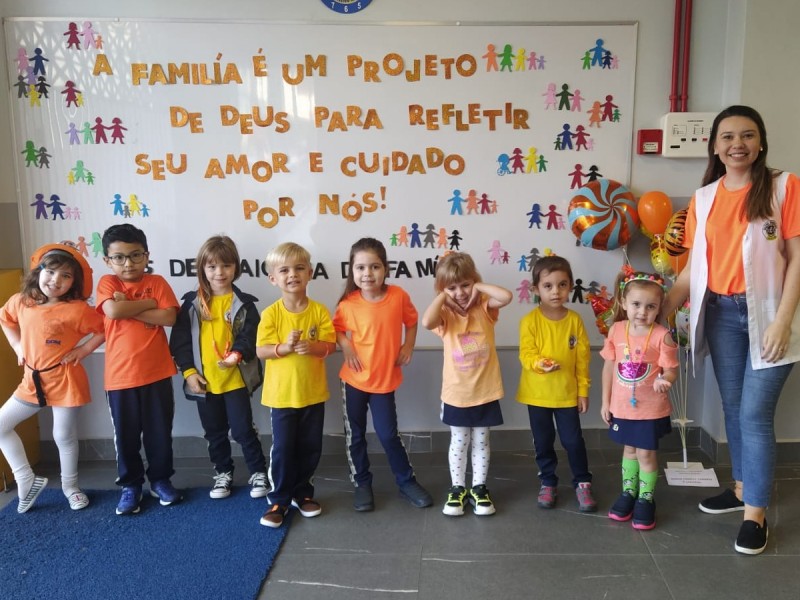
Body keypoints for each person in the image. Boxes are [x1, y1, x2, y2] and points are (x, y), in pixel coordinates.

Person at [664, 105, 800, 554]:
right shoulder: (704, 197)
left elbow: (797, 258)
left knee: (754, 415)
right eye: (727, 136)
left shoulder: (784, 186)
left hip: (770, 316)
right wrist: (662, 309)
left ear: (760, 143)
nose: (737, 144)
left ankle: (755, 516)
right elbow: (692, 271)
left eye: (747, 135)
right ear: (715, 146)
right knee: (734, 406)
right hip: (721, 314)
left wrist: (783, 320)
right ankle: (742, 489)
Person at [0, 243, 104, 513]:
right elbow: (5, 318)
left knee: (63, 436)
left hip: (66, 380)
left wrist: (83, 350)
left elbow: (104, 329)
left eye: (65, 276)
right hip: (32, 381)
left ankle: (71, 488)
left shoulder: (78, 309)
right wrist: (18, 346)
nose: (56, 280)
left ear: (74, 282)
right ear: (39, 271)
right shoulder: (21, 301)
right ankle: (25, 478)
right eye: (51, 271)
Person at [334, 237, 433, 511]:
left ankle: (406, 481)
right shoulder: (348, 303)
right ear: (352, 271)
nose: (367, 274)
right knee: (355, 435)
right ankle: (362, 483)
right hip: (353, 380)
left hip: (383, 382)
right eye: (361, 268)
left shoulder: (398, 296)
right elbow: (337, 330)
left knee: (388, 434)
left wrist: (408, 345)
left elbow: (412, 322)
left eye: (374, 267)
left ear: (385, 268)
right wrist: (346, 346)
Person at [169, 236, 268, 500]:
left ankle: (259, 471)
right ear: (202, 268)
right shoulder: (192, 304)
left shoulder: (244, 304)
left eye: (226, 265)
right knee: (214, 433)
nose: (219, 272)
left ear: (236, 267)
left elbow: (251, 335)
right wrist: (189, 373)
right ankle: (223, 472)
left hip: (235, 381)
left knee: (243, 430)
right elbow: (180, 342)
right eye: (212, 266)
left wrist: (237, 354)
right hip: (205, 383)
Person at [97, 224, 182, 515]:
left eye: (135, 255)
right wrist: (148, 305)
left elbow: (169, 318)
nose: (128, 263)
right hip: (119, 378)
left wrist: (130, 305)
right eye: (119, 257)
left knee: (160, 434)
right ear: (107, 260)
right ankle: (131, 486)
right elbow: (113, 311)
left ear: (146, 255)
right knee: (126, 436)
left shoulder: (156, 282)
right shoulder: (108, 283)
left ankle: (161, 480)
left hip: (157, 373)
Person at [421, 252, 512, 516]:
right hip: (457, 394)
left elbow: (506, 296)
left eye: (465, 285)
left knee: (482, 441)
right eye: (452, 287)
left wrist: (478, 287)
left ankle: (479, 488)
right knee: (459, 441)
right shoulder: (444, 314)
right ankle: (458, 488)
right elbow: (426, 322)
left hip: (485, 391)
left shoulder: (484, 307)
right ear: (443, 290)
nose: (460, 292)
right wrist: (443, 296)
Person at [256, 242, 336, 528]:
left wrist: (313, 347)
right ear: (273, 278)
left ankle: (303, 494)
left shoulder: (319, 311)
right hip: (281, 397)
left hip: (313, 394)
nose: (292, 275)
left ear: (310, 273)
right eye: (284, 270)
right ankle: (278, 498)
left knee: (310, 447)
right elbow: (260, 351)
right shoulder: (271, 314)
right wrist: (284, 347)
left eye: (299, 268)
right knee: (283, 448)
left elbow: (330, 345)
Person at [516, 256, 597, 513]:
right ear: (535, 289)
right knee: (543, 442)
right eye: (548, 286)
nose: (556, 292)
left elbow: (583, 359)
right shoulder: (529, 321)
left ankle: (582, 482)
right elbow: (526, 355)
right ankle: (548, 481)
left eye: (562, 285)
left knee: (573, 441)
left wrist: (583, 391)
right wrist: (541, 363)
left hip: (567, 395)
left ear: (570, 286)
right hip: (537, 395)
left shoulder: (575, 321)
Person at [601, 269, 678, 530]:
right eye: (636, 304)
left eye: (650, 306)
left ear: (659, 308)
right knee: (629, 450)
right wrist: (605, 402)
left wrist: (665, 380)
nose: (642, 312)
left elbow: (671, 369)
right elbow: (609, 368)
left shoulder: (661, 335)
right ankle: (628, 493)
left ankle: (646, 498)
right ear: (624, 303)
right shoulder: (616, 330)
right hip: (622, 407)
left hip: (650, 409)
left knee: (645, 453)